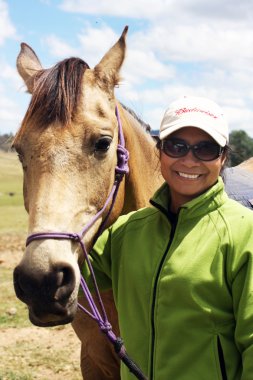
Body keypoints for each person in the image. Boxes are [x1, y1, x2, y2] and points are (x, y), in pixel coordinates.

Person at [83, 96, 253, 380]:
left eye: (206, 149)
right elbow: (73, 282)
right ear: (159, 151)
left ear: (223, 157)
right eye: (176, 146)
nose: (189, 159)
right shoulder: (125, 233)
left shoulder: (245, 233)